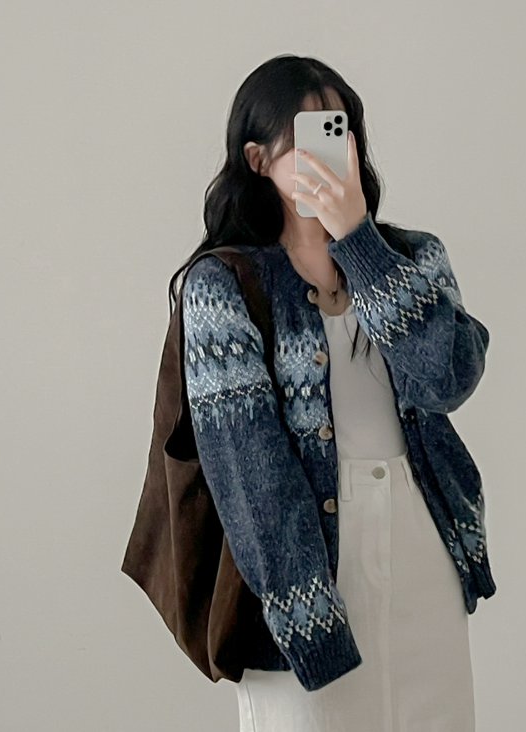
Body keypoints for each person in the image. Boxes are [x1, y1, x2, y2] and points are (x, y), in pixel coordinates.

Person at [171, 54, 495, 732]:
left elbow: (447, 380)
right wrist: (308, 620)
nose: (329, 151)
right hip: (302, 568)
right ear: (258, 159)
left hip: (422, 549)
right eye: (307, 134)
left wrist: (359, 242)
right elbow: (249, 472)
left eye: (338, 129)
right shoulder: (223, 285)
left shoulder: (413, 257)